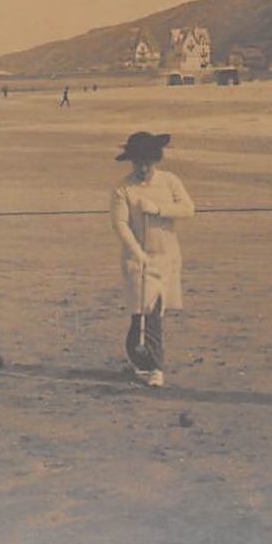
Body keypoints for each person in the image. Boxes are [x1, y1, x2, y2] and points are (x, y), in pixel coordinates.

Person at [110, 132, 194, 387]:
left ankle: (146, 363)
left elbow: (189, 209)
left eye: (148, 162)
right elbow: (120, 224)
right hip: (138, 260)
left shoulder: (170, 181)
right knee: (144, 313)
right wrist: (139, 253)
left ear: (156, 160)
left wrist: (159, 209)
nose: (143, 168)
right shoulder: (122, 189)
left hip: (167, 256)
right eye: (138, 163)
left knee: (155, 312)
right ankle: (150, 365)